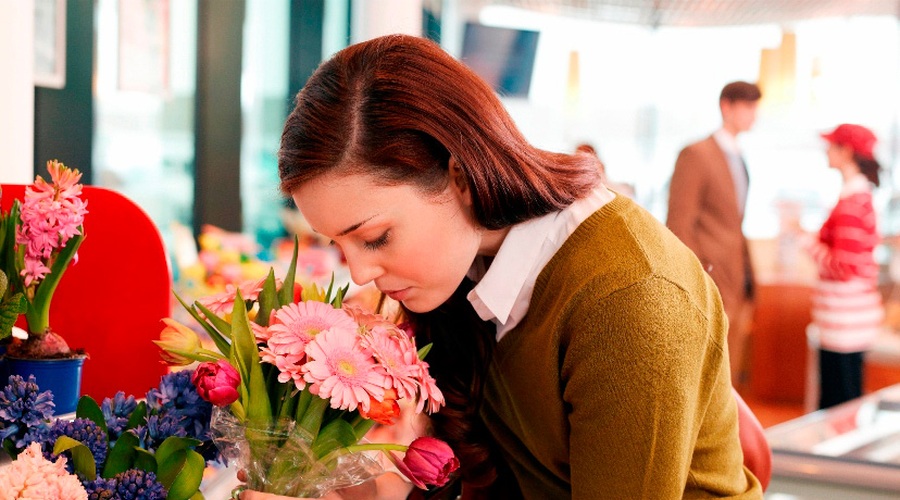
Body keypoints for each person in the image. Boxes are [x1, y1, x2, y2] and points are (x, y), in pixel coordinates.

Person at [244, 34, 762, 499]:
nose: (359, 274)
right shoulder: (471, 269)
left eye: (376, 238)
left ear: (462, 176)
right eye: (340, 245)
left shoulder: (630, 296)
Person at [666, 81, 762, 390]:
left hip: (736, 274)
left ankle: (726, 436)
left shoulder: (740, 157)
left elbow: (734, 222)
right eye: (747, 107)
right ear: (726, 107)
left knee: (729, 367)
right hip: (710, 274)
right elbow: (679, 222)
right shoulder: (696, 154)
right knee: (707, 368)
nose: (752, 115)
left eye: (755, 108)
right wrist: (700, 274)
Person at [803, 123, 884, 409]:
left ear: (846, 151)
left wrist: (806, 241)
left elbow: (844, 266)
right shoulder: (856, 196)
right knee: (842, 400)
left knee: (839, 405)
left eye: (831, 144)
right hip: (846, 322)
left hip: (845, 324)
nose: (826, 150)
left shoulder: (852, 200)